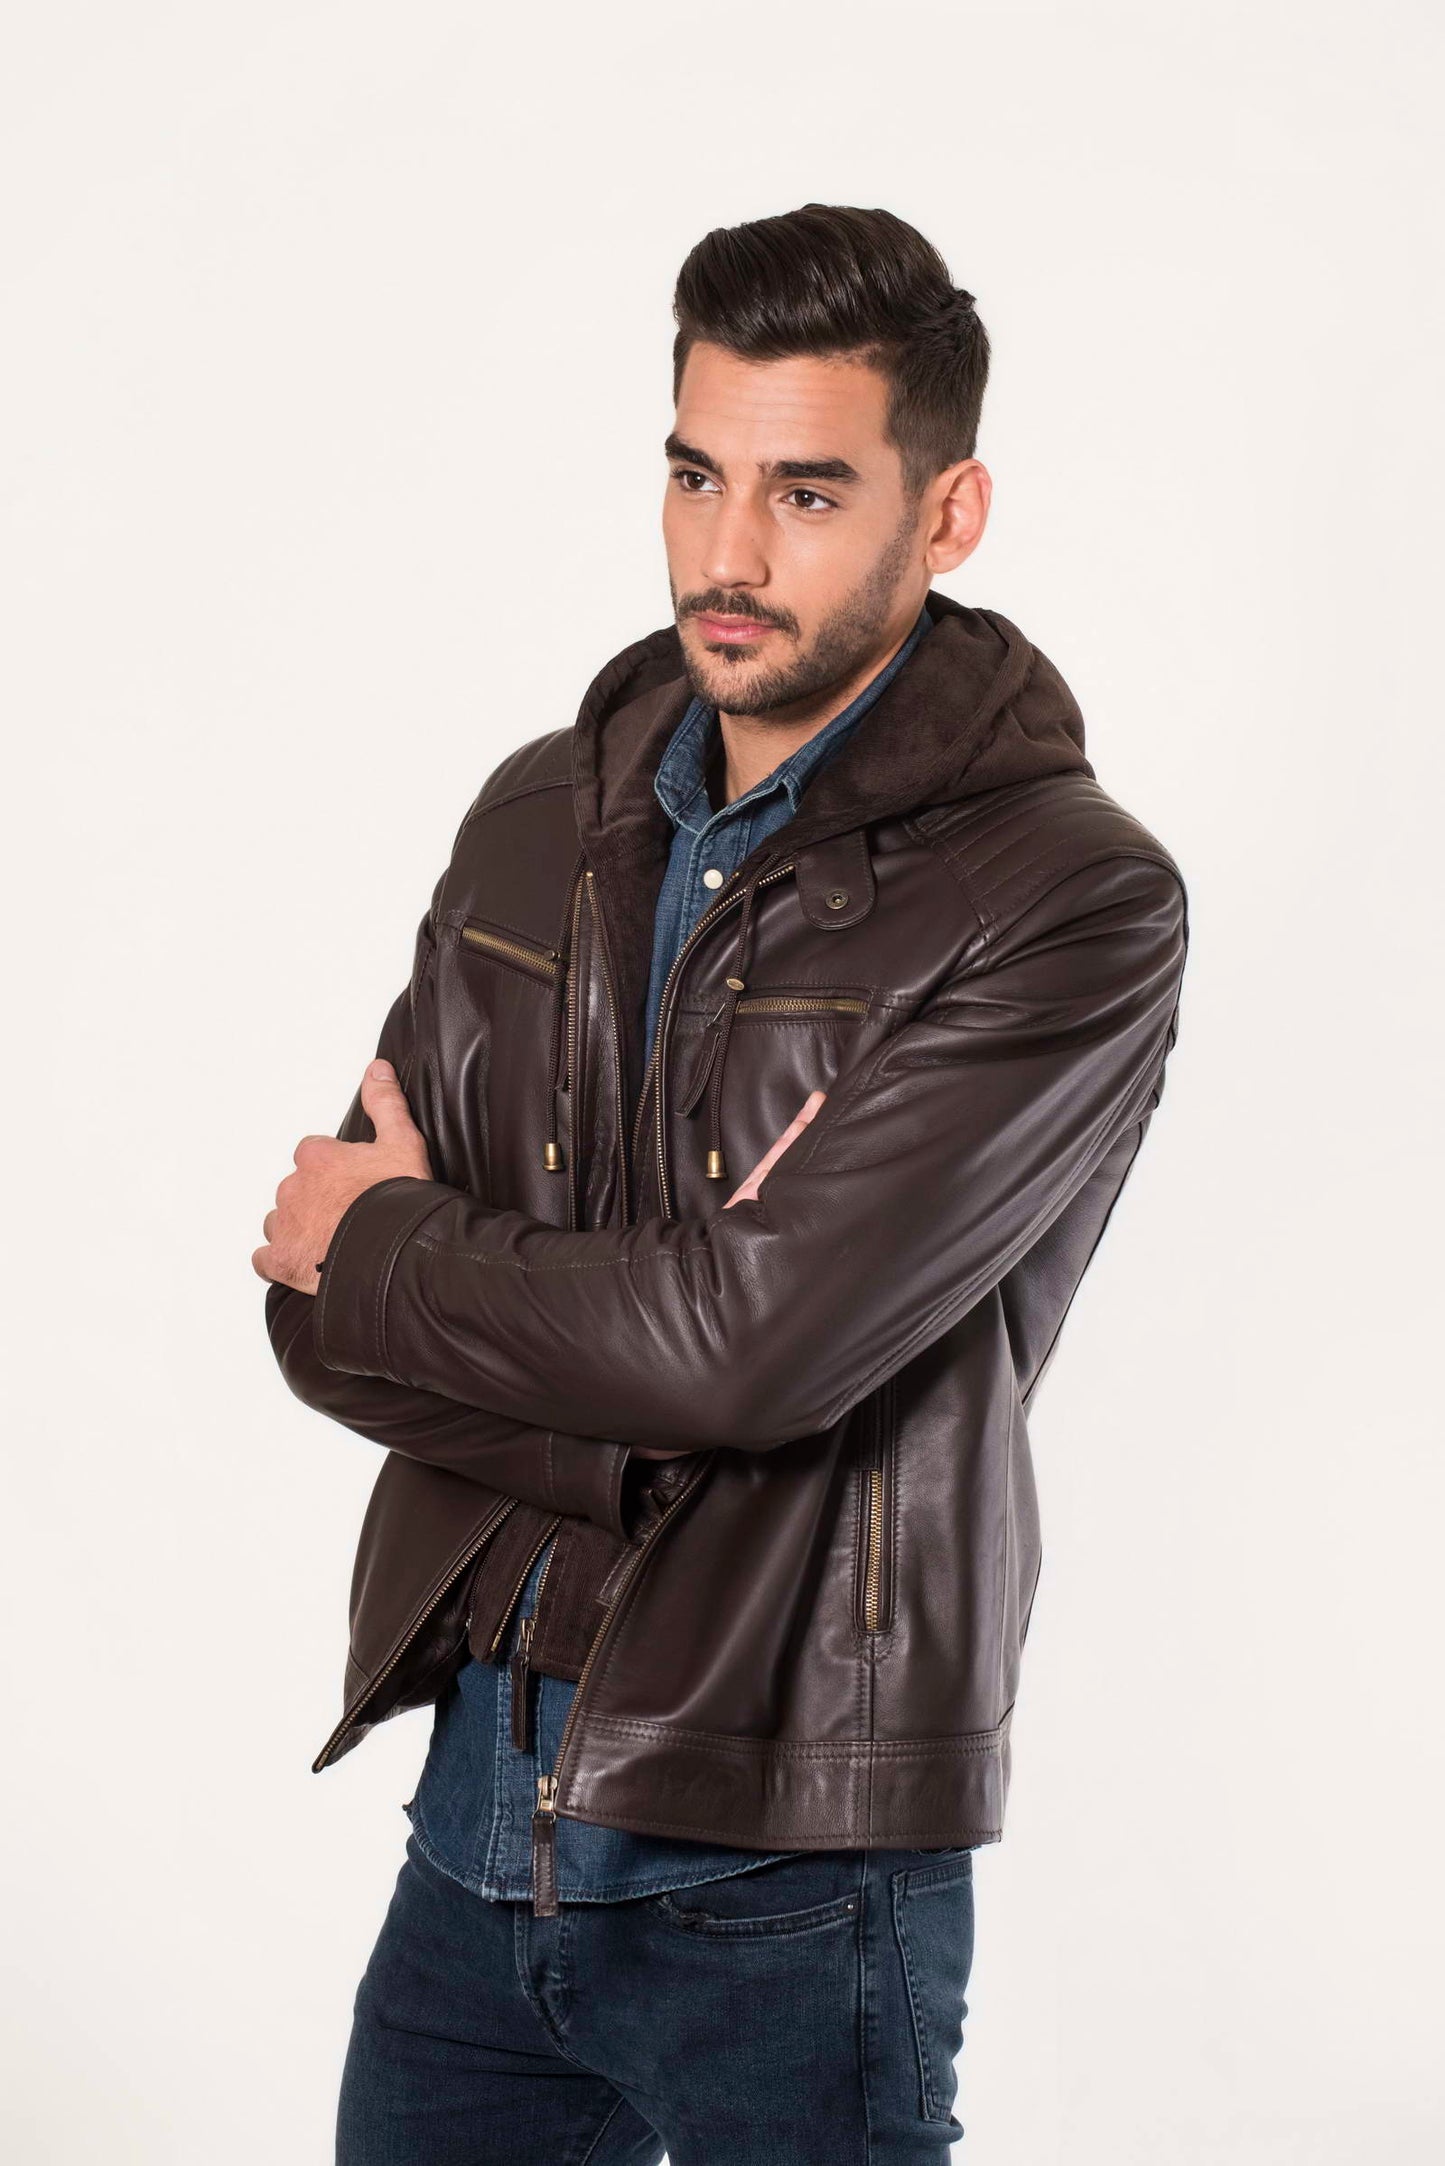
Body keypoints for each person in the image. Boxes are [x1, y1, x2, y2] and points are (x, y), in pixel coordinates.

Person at [256, 201, 1189, 2163]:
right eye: (696, 475)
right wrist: (642, 1356)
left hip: (787, 1866)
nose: (728, 554)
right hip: (473, 1828)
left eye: (807, 492)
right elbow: (316, 1309)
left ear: (949, 514)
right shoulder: (542, 812)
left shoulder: (1061, 899)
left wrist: (436, 1265)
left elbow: (742, 1354)